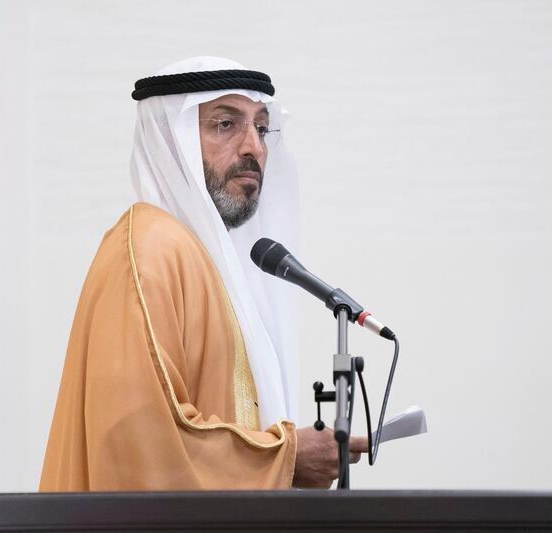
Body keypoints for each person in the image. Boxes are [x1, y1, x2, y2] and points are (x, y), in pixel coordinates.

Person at [40, 57, 367, 491]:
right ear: (171, 143)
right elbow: (144, 442)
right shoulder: (149, 248)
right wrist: (283, 457)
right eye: (226, 124)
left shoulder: (203, 262)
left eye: (262, 128)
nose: (254, 147)